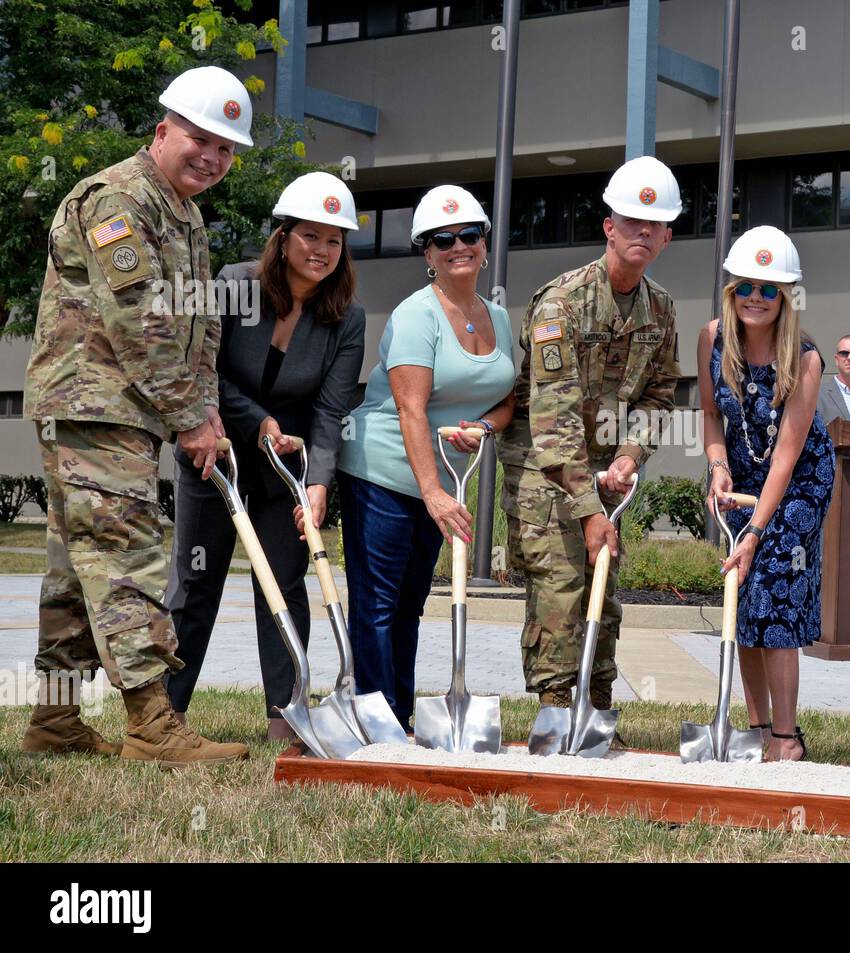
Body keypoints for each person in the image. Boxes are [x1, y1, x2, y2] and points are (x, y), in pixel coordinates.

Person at [21, 66, 253, 765]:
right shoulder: (117, 198)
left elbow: (199, 325)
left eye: (225, 149)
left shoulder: (184, 215)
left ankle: (56, 723)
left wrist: (205, 412)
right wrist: (188, 415)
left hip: (124, 410)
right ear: (162, 131)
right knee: (128, 557)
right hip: (94, 403)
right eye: (199, 139)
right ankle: (153, 724)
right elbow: (140, 317)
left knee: (75, 565)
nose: (211, 157)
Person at [164, 172, 366, 740]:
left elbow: (331, 409)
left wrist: (320, 483)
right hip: (218, 453)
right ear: (283, 236)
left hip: (287, 466)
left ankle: (287, 714)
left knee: (282, 580)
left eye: (334, 241)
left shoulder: (346, 318)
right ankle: (166, 713)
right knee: (196, 580)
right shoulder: (234, 285)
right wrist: (258, 423)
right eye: (311, 237)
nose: (322, 251)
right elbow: (207, 372)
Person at [498, 155, 682, 717]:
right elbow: (551, 418)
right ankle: (555, 711)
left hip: (606, 470)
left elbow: (659, 396)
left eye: (655, 225)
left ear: (668, 236)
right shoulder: (562, 303)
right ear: (609, 226)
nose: (642, 233)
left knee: (605, 584)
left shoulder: (662, 308)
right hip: (545, 465)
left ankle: (599, 713)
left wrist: (630, 456)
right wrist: (587, 509)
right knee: (560, 586)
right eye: (631, 222)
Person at [336, 185, 515, 732]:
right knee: (379, 602)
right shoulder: (417, 315)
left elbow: (509, 399)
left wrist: (483, 426)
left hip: (438, 480)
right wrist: (434, 492)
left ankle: (401, 715)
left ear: (484, 245)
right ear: (427, 254)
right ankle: (376, 717)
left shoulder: (499, 318)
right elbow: (411, 410)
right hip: (385, 471)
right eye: (443, 240)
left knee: (411, 601)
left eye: (469, 235)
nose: (458, 245)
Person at [701, 225, 834, 761]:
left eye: (770, 289)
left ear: (787, 296)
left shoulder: (805, 360)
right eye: (747, 286)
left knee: (775, 597)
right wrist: (715, 464)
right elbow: (711, 416)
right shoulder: (712, 337)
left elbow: (786, 453)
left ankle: (786, 737)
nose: (757, 298)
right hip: (739, 473)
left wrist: (757, 531)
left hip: (798, 480)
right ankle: (756, 729)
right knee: (742, 600)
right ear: (732, 288)